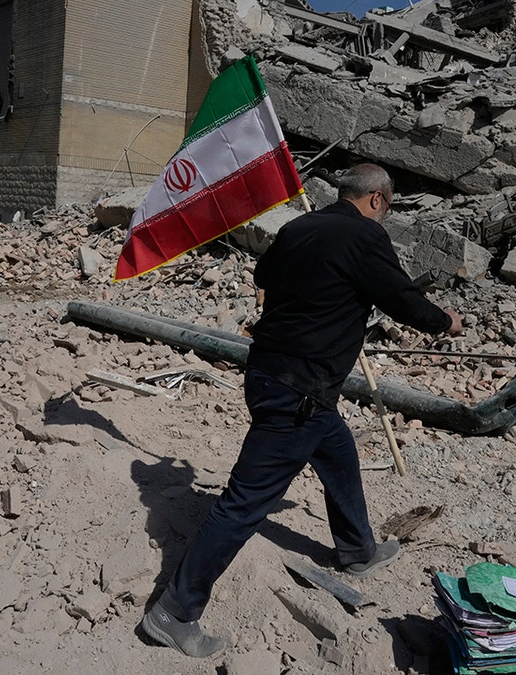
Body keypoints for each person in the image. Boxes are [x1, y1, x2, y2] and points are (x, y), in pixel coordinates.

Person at [142, 163, 463, 657]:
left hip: (271, 374)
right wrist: (445, 322)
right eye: (389, 205)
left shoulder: (297, 226)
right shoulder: (364, 236)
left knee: (336, 450)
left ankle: (358, 550)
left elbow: (264, 274)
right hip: (300, 391)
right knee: (243, 503)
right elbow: (400, 297)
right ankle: (174, 612)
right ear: (377, 198)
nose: (385, 213)